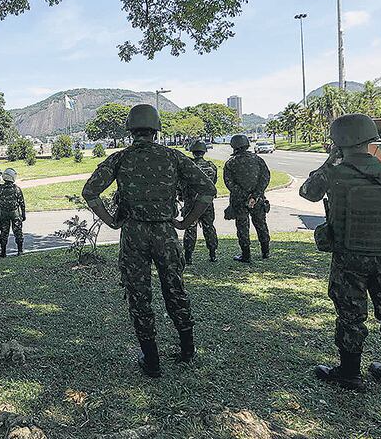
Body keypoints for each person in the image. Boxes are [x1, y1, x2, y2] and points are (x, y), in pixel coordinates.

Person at [82, 104, 217, 377]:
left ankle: (152, 360)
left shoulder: (120, 158)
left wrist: (110, 221)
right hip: (166, 233)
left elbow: (90, 192)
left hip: (133, 234)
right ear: (156, 129)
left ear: (131, 129)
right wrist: (186, 222)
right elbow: (207, 190)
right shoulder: (173, 157)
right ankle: (187, 349)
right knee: (175, 288)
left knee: (139, 294)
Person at [300, 113, 381, 392]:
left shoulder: (332, 174)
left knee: (350, 316)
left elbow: (308, 191)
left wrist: (331, 159)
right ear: (369, 138)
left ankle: (350, 373)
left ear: (337, 141)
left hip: (348, 259)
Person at [223, 134, 271, 263]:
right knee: (261, 225)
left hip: (239, 201)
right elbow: (265, 178)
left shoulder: (230, 163)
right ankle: (265, 252)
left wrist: (246, 196)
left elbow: (229, 184)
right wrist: (255, 196)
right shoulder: (258, 160)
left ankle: (246, 255)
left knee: (243, 227)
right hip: (258, 200)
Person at [182, 140, 219, 263]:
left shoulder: (188, 166)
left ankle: (188, 257)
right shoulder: (211, 166)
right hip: (207, 203)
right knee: (209, 227)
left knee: (190, 228)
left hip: (191, 203)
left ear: (192, 151)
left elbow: (181, 184)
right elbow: (213, 183)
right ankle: (212, 254)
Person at [0, 168, 25, 257]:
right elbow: (22, 203)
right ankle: (20, 250)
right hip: (15, 213)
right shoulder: (17, 189)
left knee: (4, 232)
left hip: (4, 213)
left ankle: (3, 252)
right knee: (18, 231)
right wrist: (23, 214)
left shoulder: (0, 189)